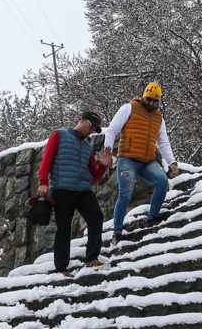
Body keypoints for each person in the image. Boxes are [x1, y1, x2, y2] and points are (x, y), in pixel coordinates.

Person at [101, 81, 179, 243]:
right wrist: (107, 151)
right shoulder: (129, 108)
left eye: (154, 101)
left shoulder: (159, 118)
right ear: (143, 96)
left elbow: (163, 142)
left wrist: (172, 162)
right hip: (128, 159)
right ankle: (117, 232)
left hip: (147, 161)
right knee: (125, 193)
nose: (151, 103)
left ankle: (153, 217)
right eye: (148, 99)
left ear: (158, 102)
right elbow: (113, 128)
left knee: (162, 181)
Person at [37, 111, 113, 275]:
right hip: (62, 188)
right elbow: (47, 159)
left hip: (83, 190)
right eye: (92, 126)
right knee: (64, 227)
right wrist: (43, 182)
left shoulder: (87, 147)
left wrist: (103, 166)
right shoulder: (59, 135)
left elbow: (93, 177)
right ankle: (61, 268)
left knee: (96, 217)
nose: (92, 131)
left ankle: (91, 259)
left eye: (95, 129)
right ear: (83, 121)